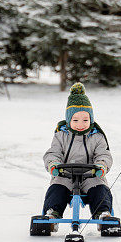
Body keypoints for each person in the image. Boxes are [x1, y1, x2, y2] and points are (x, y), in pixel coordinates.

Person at [41, 82, 113, 231]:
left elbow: (103, 154)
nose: (81, 124)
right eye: (75, 120)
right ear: (68, 120)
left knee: (101, 189)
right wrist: (53, 165)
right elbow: (53, 153)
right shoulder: (61, 135)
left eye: (85, 120)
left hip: (91, 176)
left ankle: (103, 214)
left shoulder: (97, 136)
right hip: (65, 175)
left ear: (91, 119)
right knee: (56, 188)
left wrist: (101, 166)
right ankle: (52, 215)